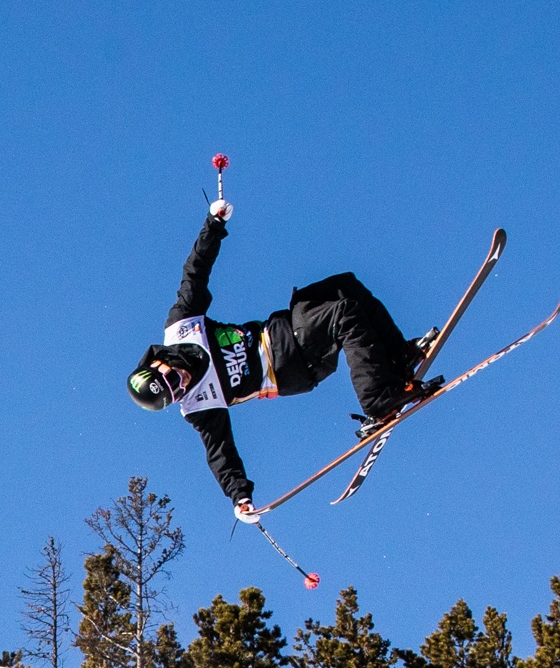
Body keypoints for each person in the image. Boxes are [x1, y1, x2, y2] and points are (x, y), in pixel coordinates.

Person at [126, 198, 439, 522]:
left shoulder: (182, 328)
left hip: (284, 327)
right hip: (291, 366)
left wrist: (214, 224)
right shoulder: (200, 405)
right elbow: (220, 454)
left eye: (174, 381)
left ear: (160, 365)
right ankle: (376, 398)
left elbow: (195, 272)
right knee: (344, 314)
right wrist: (240, 497)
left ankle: (396, 356)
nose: (184, 386)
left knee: (345, 289)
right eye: (177, 394)